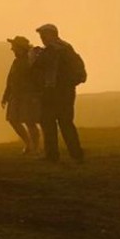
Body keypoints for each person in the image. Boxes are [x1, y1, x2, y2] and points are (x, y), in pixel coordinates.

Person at [32, 23, 85, 162]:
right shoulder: (66, 48)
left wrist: (35, 55)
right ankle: (76, 154)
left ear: (51, 34)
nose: (42, 38)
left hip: (53, 91)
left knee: (49, 122)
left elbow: (38, 66)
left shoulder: (52, 50)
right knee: (65, 122)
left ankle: (53, 155)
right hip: (65, 91)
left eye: (43, 35)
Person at [1, 36, 41, 155]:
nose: (12, 49)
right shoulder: (17, 61)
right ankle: (29, 144)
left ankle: (35, 147)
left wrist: (36, 94)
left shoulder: (30, 61)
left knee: (30, 121)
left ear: (20, 48)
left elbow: (37, 79)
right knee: (13, 120)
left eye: (14, 46)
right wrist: (6, 95)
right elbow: (11, 79)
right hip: (16, 95)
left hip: (28, 95)